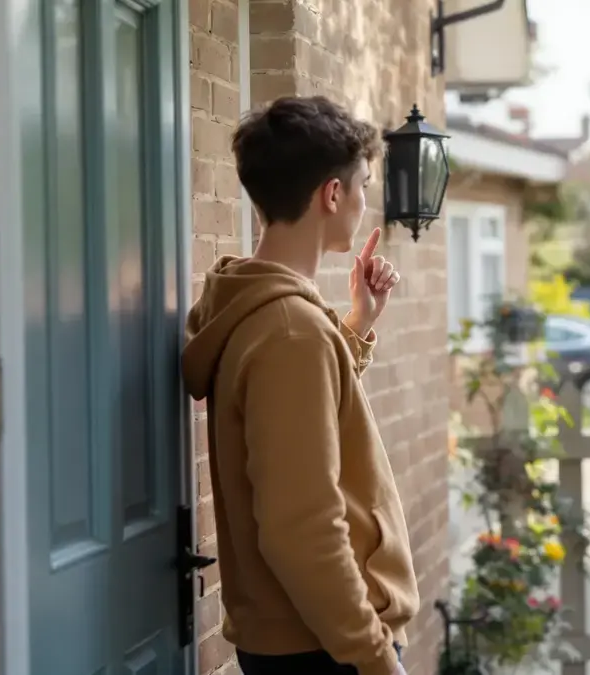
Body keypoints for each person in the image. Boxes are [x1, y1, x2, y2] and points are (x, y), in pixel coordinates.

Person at [181, 96, 418, 675]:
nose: (364, 202)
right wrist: (375, 656)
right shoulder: (291, 332)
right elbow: (302, 529)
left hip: (304, 641)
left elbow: (306, 423)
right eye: (362, 184)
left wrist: (357, 324)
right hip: (325, 648)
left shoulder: (265, 314)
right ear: (332, 195)